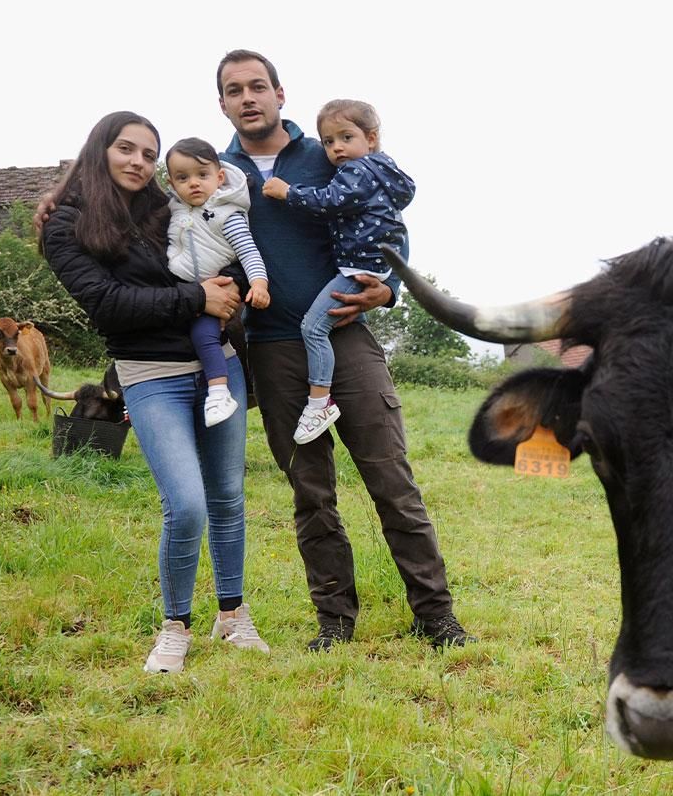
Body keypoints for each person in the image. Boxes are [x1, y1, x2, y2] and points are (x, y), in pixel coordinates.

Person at [216, 50, 475, 651]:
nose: (248, 97)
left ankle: (436, 616)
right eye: (235, 90)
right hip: (273, 349)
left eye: (259, 86)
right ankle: (334, 623)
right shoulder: (217, 171)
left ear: (282, 95)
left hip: (345, 337)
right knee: (311, 493)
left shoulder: (327, 152)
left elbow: (391, 223)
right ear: (222, 104)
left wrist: (388, 290)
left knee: (392, 482)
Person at [39, 111, 268, 674]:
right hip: (149, 375)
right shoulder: (66, 225)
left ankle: (233, 616)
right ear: (100, 150)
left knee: (228, 499)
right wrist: (197, 300)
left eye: (148, 153)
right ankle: (174, 627)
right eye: (127, 149)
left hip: (221, 366)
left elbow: (225, 238)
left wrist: (233, 286)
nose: (138, 162)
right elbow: (108, 305)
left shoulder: (168, 208)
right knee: (186, 505)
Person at [261, 99, 413, 445]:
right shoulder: (382, 172)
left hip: (356, 270)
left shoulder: (357, 171)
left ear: (371, 138)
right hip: (370, 265)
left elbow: (329, 201)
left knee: (312, 328)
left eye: (346, 137)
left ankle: (319, 402)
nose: (336, 148)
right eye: (329, 142)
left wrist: (287, 192)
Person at [165, 137, 270, 427]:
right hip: (181, 292)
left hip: (212, 294)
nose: (194, 183)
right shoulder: (175, 211)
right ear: (172, 185)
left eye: (202, 175)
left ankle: (219, 392)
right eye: (183, 178)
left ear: (219, 177)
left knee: (204, 336)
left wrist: (258, 283)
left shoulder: (228, 214)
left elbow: (248, 251)